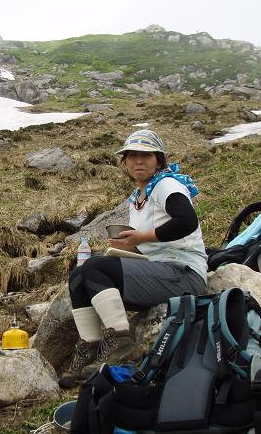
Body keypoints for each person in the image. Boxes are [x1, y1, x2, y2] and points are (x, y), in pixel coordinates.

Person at [59, 129, 207, 388]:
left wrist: (140, 238)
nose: (139, 161)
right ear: (125, 162)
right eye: (132, 156)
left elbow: (187, 221)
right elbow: (154, 244)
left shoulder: (166, 185)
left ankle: (121, 344)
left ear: (158, 160)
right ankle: (91, 347)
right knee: (79, 273)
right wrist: (128, 248)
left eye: (146, 156)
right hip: (159, 271)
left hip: (184, 274)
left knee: (95, 267)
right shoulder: (137, 198)